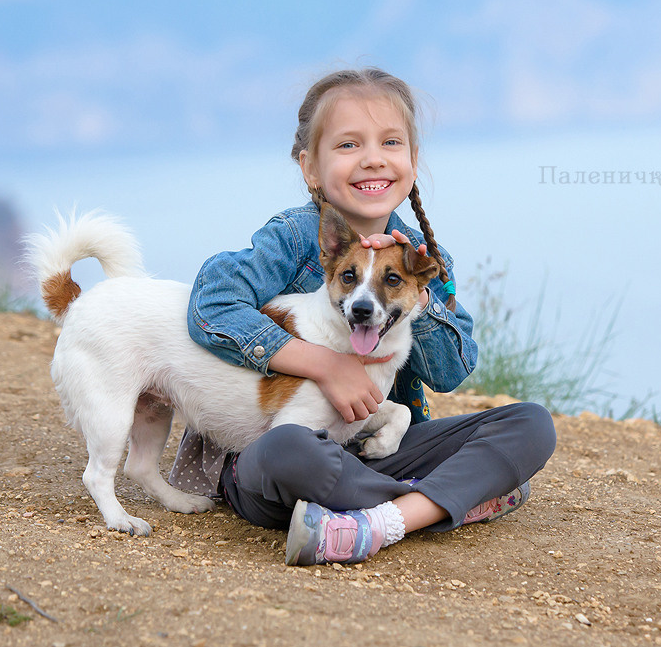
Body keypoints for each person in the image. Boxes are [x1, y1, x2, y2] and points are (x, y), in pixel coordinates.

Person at [172, 67, 557, 565]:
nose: (373, 158)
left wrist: (417, 294)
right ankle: (436, 502)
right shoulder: (292, 238)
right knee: (290, 448)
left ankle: (372, 521)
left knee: (531, 424)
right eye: (348, 144)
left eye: (391, 142)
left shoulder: (421, 257)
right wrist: (324, 364)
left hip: (375, 451)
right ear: (311, 168)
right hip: (264, 457)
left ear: (412, 160)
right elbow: (211, 304)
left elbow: (451, 371)